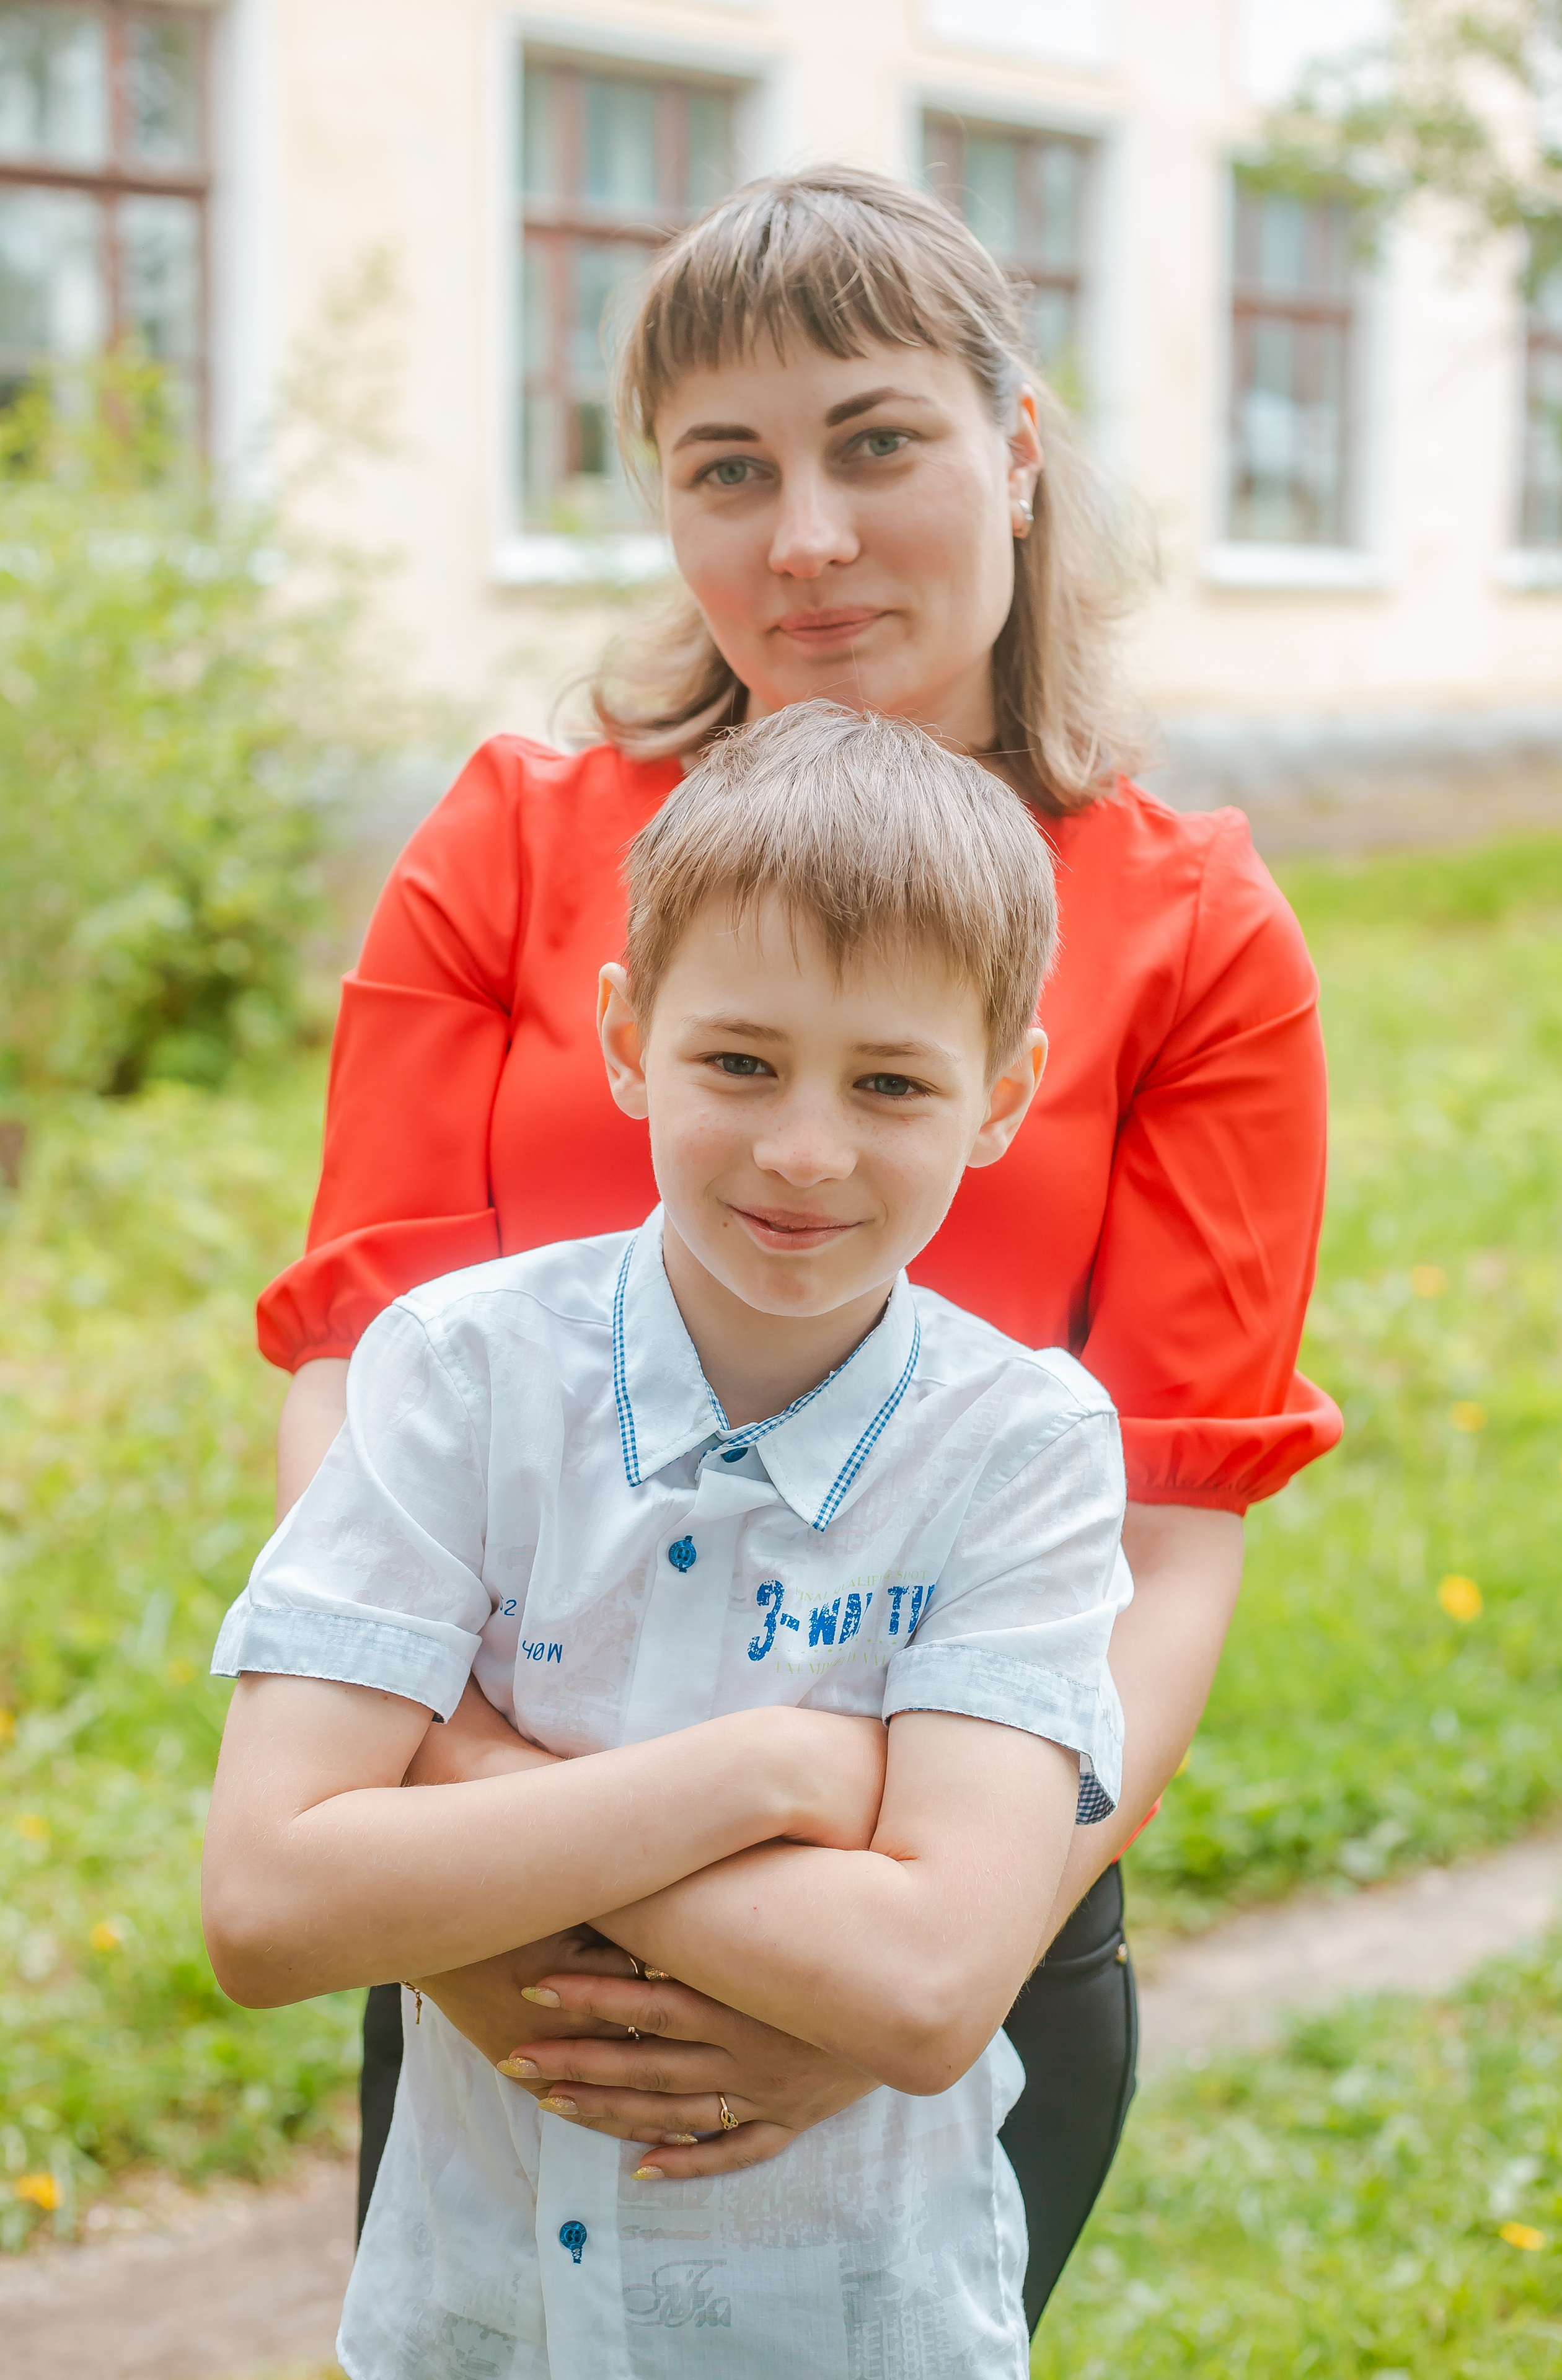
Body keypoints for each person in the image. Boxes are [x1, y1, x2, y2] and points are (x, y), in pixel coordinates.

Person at [257, 165, 1341, 2321]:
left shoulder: (1201, 929)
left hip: (952, 1907)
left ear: (1014, 451)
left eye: (875, 443)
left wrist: (910, 1955)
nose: (807, 538)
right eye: (725, 470)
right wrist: (504, 1902)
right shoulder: (507, 842)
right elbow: (356, 1381)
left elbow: (1177, 1531)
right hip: (490, 1902)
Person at [206, 705, 1134, 2379]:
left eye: (893, 1083)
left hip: (854, 2330)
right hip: (479, 2326)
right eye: (740, 1062)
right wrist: (771, 1776)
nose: (803, 1148)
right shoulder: (455, 1372)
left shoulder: (1029, 1450)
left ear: (1000, 1101)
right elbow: (270, 1902)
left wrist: (471, 1789)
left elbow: (929, 1994)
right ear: (628, 1040)